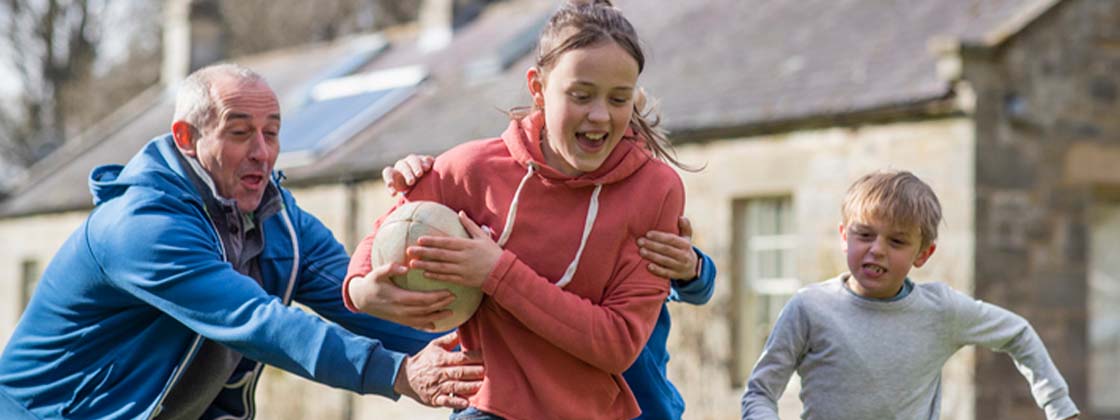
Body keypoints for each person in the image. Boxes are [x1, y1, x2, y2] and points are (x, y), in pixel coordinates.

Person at [0, 64, 483, 420]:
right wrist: (398, 374)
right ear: (186, 137)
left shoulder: (279, 221)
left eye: (271, 133)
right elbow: (258, 321)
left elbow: (360, 302)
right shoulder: (140, 226)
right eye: (240, 133)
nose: (262, 152)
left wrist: (482, 359)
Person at [345, 1, 691, 418]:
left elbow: (617, 344)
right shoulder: (473, 168)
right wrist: (362, 291)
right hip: (487, 408)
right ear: (538, 88)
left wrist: (495, 272)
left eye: (619, 100)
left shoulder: (656, 190)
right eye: (581, 95)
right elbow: (384, 232)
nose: (600, 116)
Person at [382, 154, 717, 420]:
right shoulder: (515, 193)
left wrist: (694, 270)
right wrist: (420, 184)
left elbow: (688, 283)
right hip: (510, 400)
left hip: (642, 402)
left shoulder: (646, 201)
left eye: (619, 102)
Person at [740, 170, 1080, 420]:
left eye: (897, 241)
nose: (877, 250)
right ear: (845, 236)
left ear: (923, 254)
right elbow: (759, 393)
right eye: (865, 235)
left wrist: (1061, 408)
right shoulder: (809, 308)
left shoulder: (941, 311)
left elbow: (1018, 333)